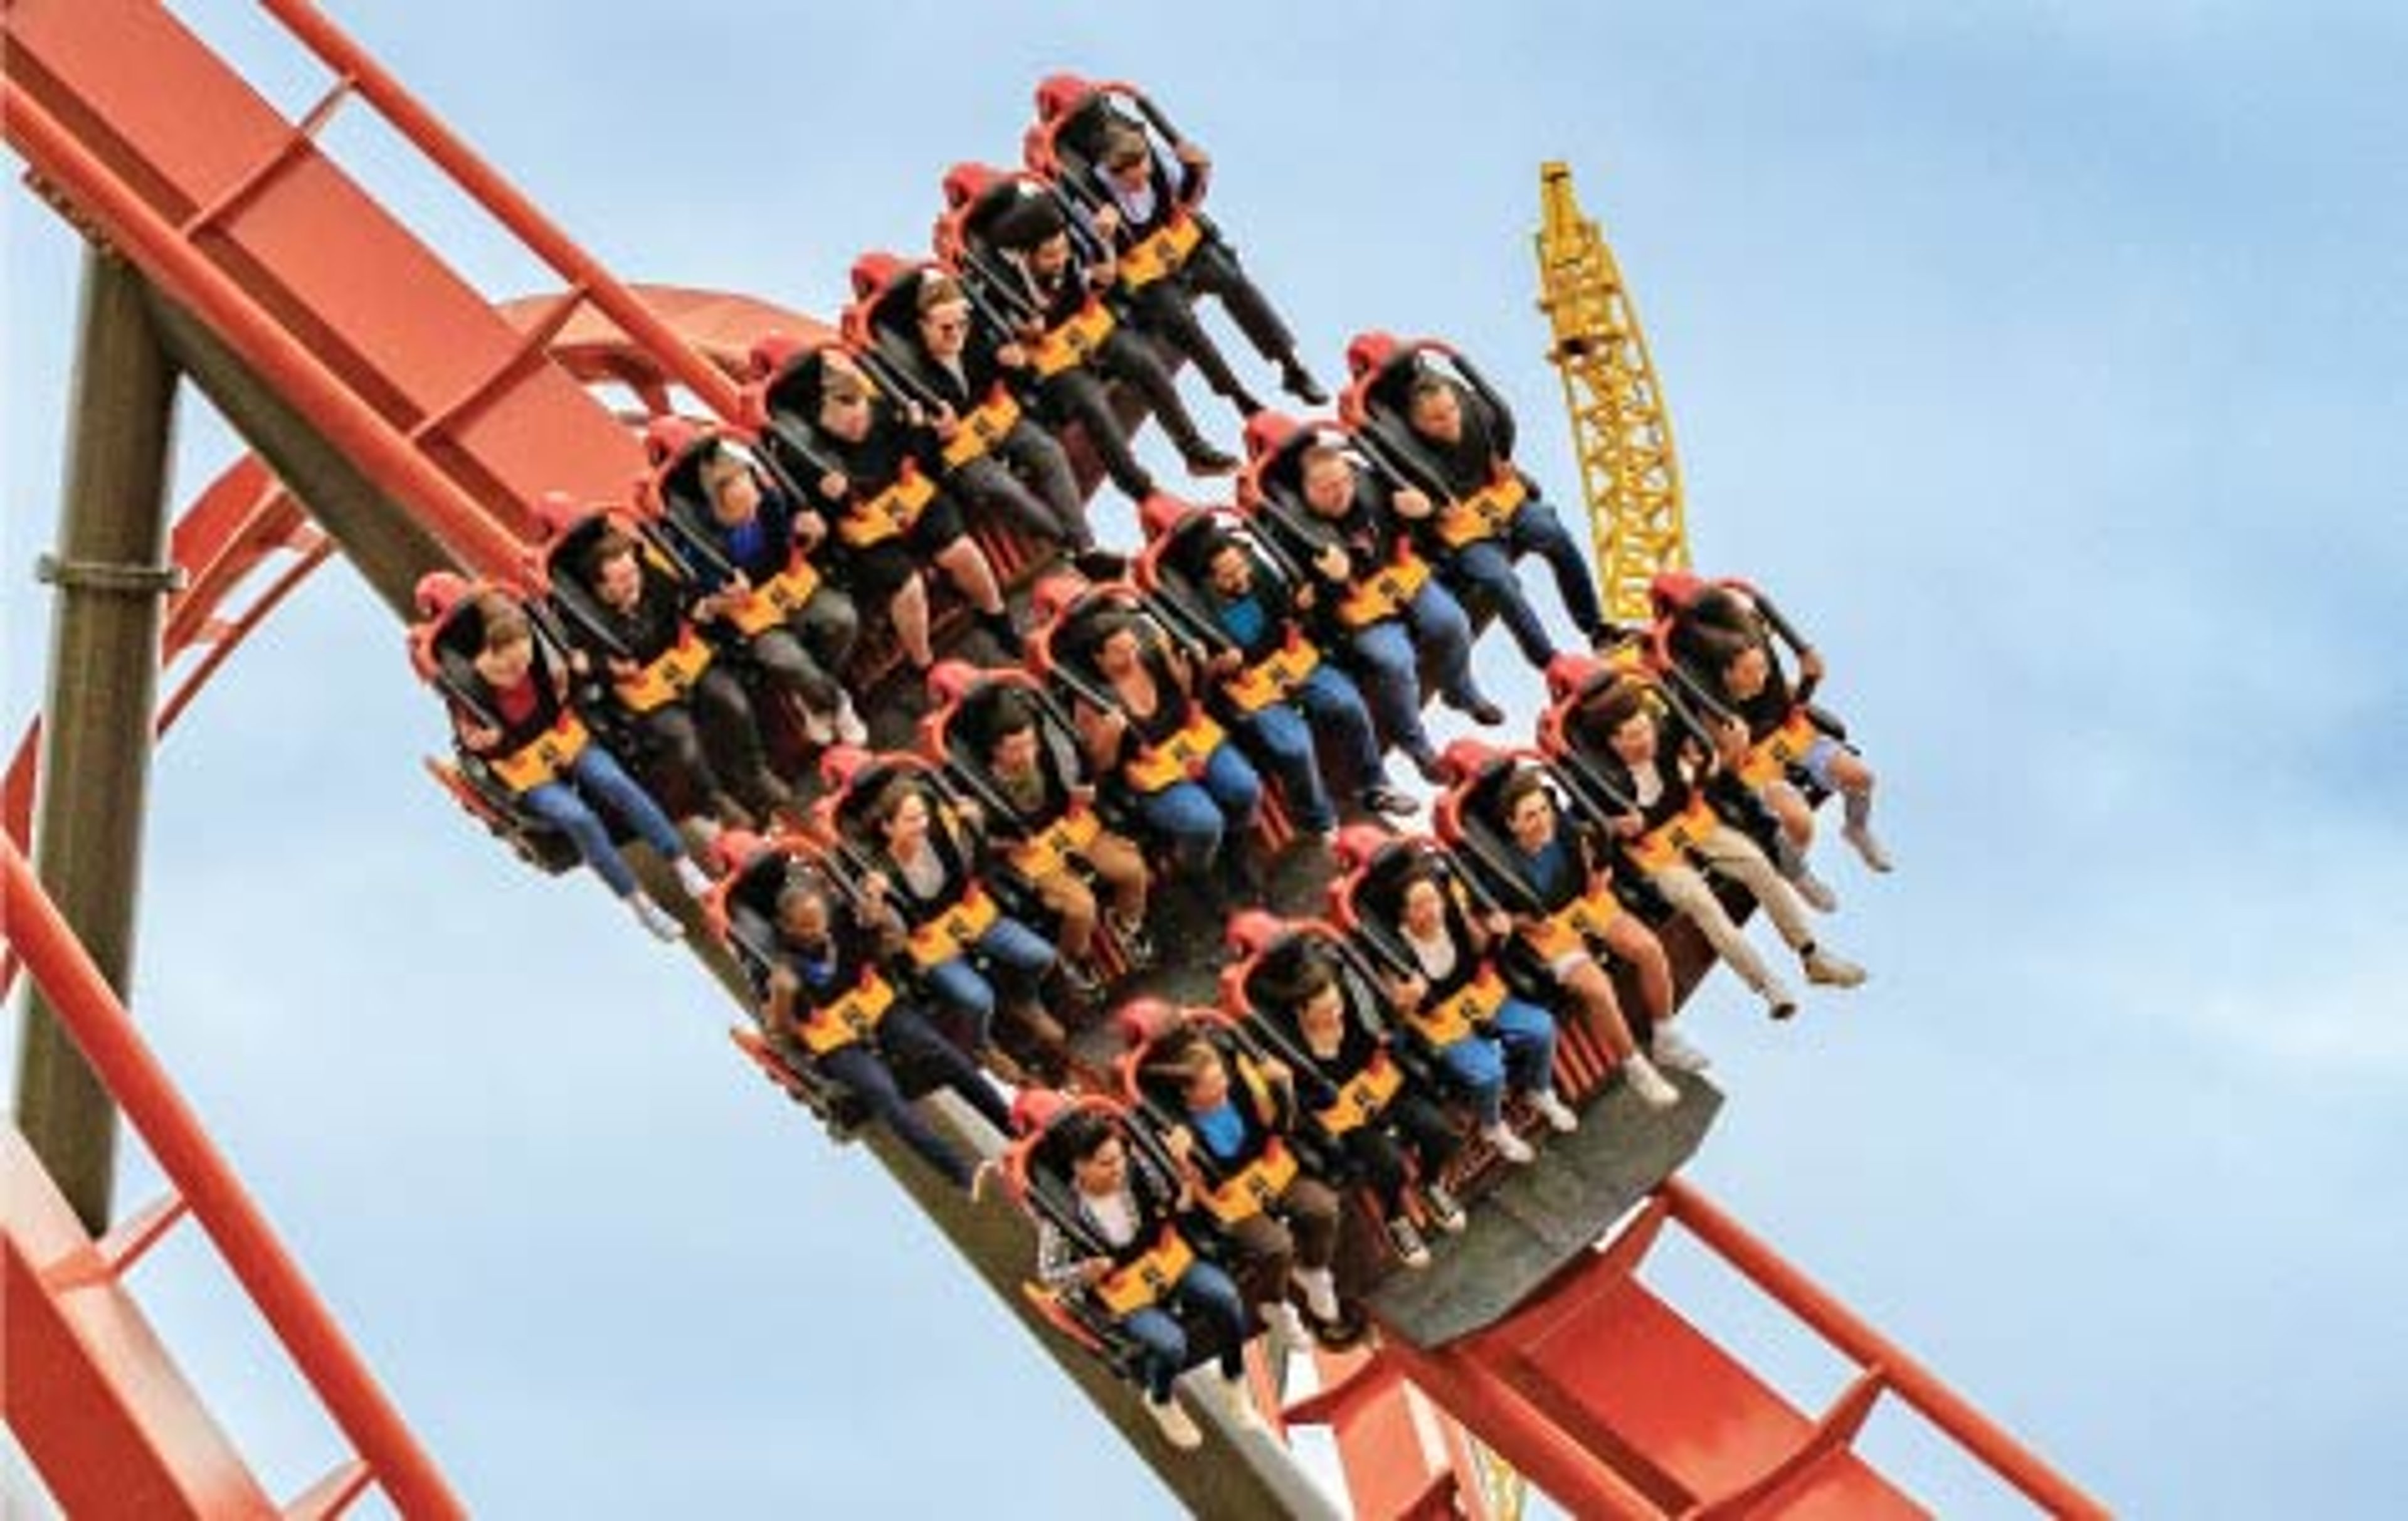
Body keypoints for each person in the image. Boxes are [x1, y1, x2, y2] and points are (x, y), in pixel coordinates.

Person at [1558, 676, 1866, 1025]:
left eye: (1645, 730)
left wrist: (1712, 752)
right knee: (1702, 903)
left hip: (1691, 823)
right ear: (1612, 743)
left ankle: (1813, 955)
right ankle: (1767, 984)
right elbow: (1577, 827)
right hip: (1653, 852)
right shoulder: (1597, 778)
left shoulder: (1666, 732)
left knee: (1757, 865)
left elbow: (1695, 724)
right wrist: (1613, 827)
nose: (1644, 741)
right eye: (1632, 737)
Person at [440, 591, 712, 940]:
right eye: (508, 668)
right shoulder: (466, 688)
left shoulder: (536, 653)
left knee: (615, 782)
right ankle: (642, 906)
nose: (517, 672)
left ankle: (682, 863)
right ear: (490, 655)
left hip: (560, 736)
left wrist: (576, 671)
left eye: (523, 664)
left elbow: (570, 673)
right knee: (578, 818)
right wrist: (486, 745)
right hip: (523, 763)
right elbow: (471, 746)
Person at [758, 871, 1013, 1194]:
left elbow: (885, 942)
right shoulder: (777, 967)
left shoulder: (842, 922)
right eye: (807, 927)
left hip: (876, 1009)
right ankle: (960, 1172)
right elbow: (782, 1034)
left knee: (941, 1052)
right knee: (883, 1093)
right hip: (836, 1041)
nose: (818, 932)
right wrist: (783, 997)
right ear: (787, 928)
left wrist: (878, 907)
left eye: (820, 921)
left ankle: (1010, 1124)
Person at [981, 184, 1240, 499]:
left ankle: (1194, 451)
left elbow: (1098, 275)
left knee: (1146, 363)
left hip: (1086, 327)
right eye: (1051, 256)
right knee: (1093, 404)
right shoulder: (999, 283)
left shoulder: (1072, 247)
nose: (1061, 259)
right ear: (1024, 255)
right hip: (1052, 357)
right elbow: (995, 338)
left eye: (1063, 250)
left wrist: (1104, 254)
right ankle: (1138, 486)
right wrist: (1018, 341)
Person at [1269, 438, 1500, 782]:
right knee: (1396, 660)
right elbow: (1304, 607)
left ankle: (1462, 692)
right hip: (1354, 611)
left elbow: (1423, 528)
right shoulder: (1294, 532)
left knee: (1451, 622)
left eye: (1345, 482)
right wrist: (1328, 581)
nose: (1341, 492)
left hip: (1398, 577)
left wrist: (1426, 510)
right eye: (1328, 488)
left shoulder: (1370, 486)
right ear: (1307, 491)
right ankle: (1419, 749)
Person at [1032, 1107, 1262, 1449]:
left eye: (1119, 1158)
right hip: (1125, 1289)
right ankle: (1160, 1398)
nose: (1118, 1168)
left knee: (1225, 1298)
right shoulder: (1062, 1214)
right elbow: (1050, 1274)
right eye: (1106, 1164)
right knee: (1171, 1345)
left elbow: (1175, 1201)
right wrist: (1085, 1272)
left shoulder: (1137, 1168)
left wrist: (1182, 1165)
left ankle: (1233, 1378)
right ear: (1080, 1167)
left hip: (1162, 1259)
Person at [1082, 120, 1325, 421]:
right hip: (1146, 272)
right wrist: (1104, 237)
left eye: (1141, 163)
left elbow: (1189, 202)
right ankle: (1237, 394)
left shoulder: (1159, 162)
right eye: (1125, 172)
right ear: (1110, 171)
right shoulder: (1092, 198)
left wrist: (1200, 172)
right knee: (1180, 321)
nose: (1138, 175)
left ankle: (1291, 367)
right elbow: (1097, 266)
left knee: (1233, 281)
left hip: (1183, 245)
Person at [1185, 527, 1416, 837]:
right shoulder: (1199, 611)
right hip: (1251, 687)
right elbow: (1202, 682)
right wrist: (1215, 667)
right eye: (1228, 576)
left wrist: (1303, 606)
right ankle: (1318, 820)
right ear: (1211, 581)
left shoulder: (1261, 577)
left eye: (1241, 567)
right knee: (1295, 746)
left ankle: (1374, 785)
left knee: (1347, 703)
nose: (1241, 579)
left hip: (1290, 658)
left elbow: (1292, 616)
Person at [1246, 943, 1464, 1271]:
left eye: (1337, 1004)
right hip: (1342, 1120)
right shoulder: (1287, 1045)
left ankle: (1431, 1183)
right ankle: (1395, 1215)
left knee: (1440, 1133)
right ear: (1301, 1013)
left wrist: (1402, 1011)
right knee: (1389, 1164)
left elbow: (1392, 1038)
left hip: (1382, 1091)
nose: (1336, 1014)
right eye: (1325, 1011)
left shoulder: (1355, 1007)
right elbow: (1298, 1105)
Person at [1668, 580, 1892, 892]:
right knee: (1800, 825)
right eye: (1750, 674)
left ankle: (1856, 829)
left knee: (1862, 777)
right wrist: (1731, 750)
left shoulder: (1754, 649)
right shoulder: (1708, 706)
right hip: (1755, 764)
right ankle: (1796, 873)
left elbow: (1790, 694)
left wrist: (1808, 674)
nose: (1761, 679)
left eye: (1762, 669)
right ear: (1726, 675)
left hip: (1789, 732)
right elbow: (1722, 777)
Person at [564, 524, 791, 827]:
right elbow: (583, 665)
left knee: (730, 698)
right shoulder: (586, 621)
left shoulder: (653, 579)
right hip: (648, 692)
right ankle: (717, 799)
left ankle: (755, 772)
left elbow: (690, 600)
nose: (635, 580)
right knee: (682, 738)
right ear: (602, 589)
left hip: (684, 663)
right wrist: (605, 669)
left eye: (634, 571)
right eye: (623, 579)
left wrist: (712, 606)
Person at [804, 361, 1020, 673]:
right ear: (821, 417)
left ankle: (997, 616)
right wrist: (827, 501)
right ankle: (923, 663)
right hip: (868, 532)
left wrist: (919, 433)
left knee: (961, 551)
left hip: (910, 499)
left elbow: (925, 461)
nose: (858, 426)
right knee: (909, 588)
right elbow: (815, 525)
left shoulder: (885, 412)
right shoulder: (811, 456)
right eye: (846, 423)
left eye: (862, 416)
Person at [1485, 768, 1682, 1109]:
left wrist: (1601, 869)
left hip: (1586, 906)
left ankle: (1665, 1034)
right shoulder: (1502, 866)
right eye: (1530, 817)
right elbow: (1495, 918)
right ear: (1513, 825)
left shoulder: (1563, 829)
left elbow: (1595, 851)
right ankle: (1637, 1068)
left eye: (1544, 810)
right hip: (1549, 933)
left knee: (1648, 948)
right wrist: (1521, 924)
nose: (1542, 821)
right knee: (1599, 988)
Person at [1395, 366, 1615, 670]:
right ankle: (1549, 661)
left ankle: (1597, 628)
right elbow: (1403, 519)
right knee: (1500, 582)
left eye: (1452, 410)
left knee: (1554, 534)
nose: (1451, 422)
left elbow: (1501, 433)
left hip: (1502, 502)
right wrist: (1425, 512)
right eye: (1438, 419)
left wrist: (1506, 466)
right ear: (1417, 424)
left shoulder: (1476, 415)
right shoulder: (1405, 455)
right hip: (1467, 536)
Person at [1140, 1021, 1343, 1347]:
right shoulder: (1175, 1127)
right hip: (1227, 1198)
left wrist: (1284, 1088)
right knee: (1277, 1246)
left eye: (1222, 1076)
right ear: (1188, 1093)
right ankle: (1273, 1305)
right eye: (1213, 1085)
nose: (1224, 1085)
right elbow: (1178, 1191)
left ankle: (1315, 1271)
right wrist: (1179, 1161)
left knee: (1322, 1207)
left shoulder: (1241, 1086)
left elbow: (1281, 1127)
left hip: (1265, 1169)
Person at [854, 772, 1064, 1076]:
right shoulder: (878, 873)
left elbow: (978, 865)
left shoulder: (941, 833)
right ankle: (982, 1045)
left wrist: (974, 824)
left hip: (967, 916)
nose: (922, 825)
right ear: (888, 828)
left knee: (1040, 955)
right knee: (978, 999)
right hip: (931, 945)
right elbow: (876, 929)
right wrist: (874, 901)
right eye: (911, 821)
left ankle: (1024, 999)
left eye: (923, 816)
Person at [1371, 857, 1576, 1163]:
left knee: (1542, 1027)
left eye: (1434, 900)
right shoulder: (1391, 949)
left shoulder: (1452, 912)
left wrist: (1497, 932)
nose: (1432, 911)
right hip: (1437, 1019)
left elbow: (1479, 948)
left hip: (1474, 997)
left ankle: (1539, 1089)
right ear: (1403, 914)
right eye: (1419, 906)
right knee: (1489, 1074)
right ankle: (1492, 1127)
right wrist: (1407, 998)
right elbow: (1393, 1005)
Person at [882, 271, 1094, 552]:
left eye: (962, 324)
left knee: (1049, 451)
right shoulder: (906, 374)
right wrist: (931, 432)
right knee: (1003, 488)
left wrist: (1016, 367)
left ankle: (1082, 544)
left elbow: (1021, 385)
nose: (957, 334)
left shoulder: (976, 339)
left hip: (992, 421)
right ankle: (1076, 546)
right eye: (946, 328)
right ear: (922, 326)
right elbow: (917, 456)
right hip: (957, 452)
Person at [1068, 610, 1264, 902]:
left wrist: (1198, 671)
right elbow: (1100, 768)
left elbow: (1196, 696)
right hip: (1154, 775)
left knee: (1245, 786)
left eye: (1133, 647)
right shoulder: (1090, 701)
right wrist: (1109, 737)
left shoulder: (1154, 655)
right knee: (1204, 822)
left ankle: (1237, 844)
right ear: (1100, 659)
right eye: (1120, 653)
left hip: (1189, 744)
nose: (1132, 657)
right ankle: (1199, 871)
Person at [681, 439, 865, 747]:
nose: (754, 510)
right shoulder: (700, 541)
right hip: (751, 615)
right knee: (785, 658)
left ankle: (812, 695)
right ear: (720, 507)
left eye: (754, 498)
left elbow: (797, 536)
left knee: (842, 618)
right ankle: (834, 701)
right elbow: (702, 602)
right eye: (744, 509)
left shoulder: (769, 497)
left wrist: (811, 531)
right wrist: (721, 601)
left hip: (789, 585)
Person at [957, 683, 1154, 971]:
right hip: (1031, 855)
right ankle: (1075, 955)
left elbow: (1082, 770)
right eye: (1015, 750)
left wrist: (1083, 792)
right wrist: (1005, 842)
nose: (1027, 754)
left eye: (1030, 744)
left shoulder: (1047, 752)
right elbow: (979, 844)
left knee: (1132, 869)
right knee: (1081, 908)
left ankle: (1127, 923)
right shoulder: (979, 786)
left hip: (1068, 828)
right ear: (995, 752)